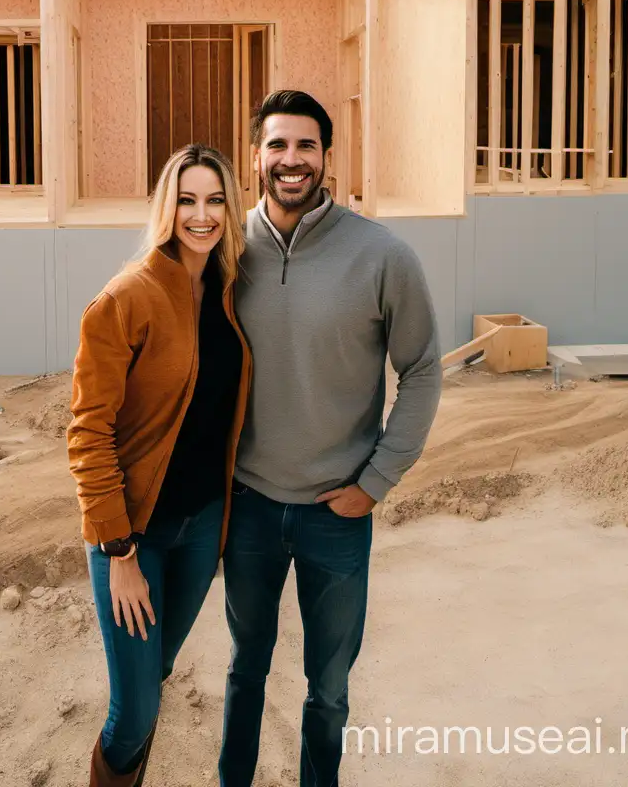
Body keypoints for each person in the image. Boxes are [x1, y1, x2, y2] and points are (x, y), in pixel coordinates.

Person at [219, 90, 442, 787]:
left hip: (336, 515)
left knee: (329, 688)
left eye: (306, 146)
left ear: (326, 157)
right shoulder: (223, 250)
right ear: (255, 156)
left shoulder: (381, 255)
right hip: (248, 506)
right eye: (278, 145)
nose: (292, 161)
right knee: (244, 669)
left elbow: (425, 368)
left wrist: (375, 483)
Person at [68, 144, 252, 787]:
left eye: (215, 200)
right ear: (165, 206)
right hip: (134, 536)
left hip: (203, 528)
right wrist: (119, 554)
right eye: (186, 199)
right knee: (134, 710)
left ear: (231, 208)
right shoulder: (126, 298)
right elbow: (88, 433)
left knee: (156, 676)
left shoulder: (232, 290)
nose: (201, 215)